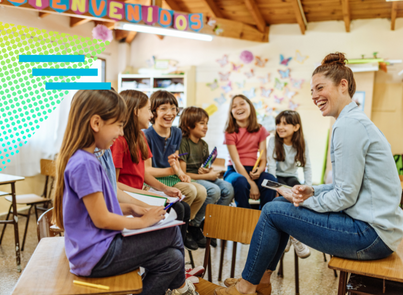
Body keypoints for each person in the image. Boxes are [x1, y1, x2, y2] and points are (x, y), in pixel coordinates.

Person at [214, 52, 403, 295]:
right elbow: (345, 186)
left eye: (319, 88)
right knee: (279, 206)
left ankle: (246, 287)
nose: (314, 96)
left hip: (370, 235)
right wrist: (312, 190)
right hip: (376, 229)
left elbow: (345, 196)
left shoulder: (348, 126)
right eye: (311, 91)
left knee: (272, 210)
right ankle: (260, 280)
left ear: (343, 85)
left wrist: (305, 199)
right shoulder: (351, 121)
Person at [53, 89, 198, 295]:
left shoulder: (87, 159)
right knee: (170, 230)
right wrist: (141, 222)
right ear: (96, 123)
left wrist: (131, 207)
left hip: (96, 250)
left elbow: (96, 210)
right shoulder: (85, 163)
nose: (121, 132)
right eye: (119, 125)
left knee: (172, 259)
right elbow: (102, 219)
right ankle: (183, 290)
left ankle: (181, 287)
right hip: (96, 255)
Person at [110, 90, 196, 251]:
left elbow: (142, 173)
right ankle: (169, 254)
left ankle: (177, 255)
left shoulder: (140, 137)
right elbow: (114, 183)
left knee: (184, 207)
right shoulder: (119, 141)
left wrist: (165, 189)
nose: (151, 115)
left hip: (138, 192)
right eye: (149, 110)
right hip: (128, 196)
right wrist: (148, 194)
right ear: (136, 112)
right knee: (177, 209)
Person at [143, 90, 207, 246]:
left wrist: (180, 173)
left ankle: (183, 227)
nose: (170, 113)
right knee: (190, 191)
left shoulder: (177, 132)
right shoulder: (146, 135)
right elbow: (146, 171)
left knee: (202, 191)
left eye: (173, 108)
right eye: (163, 108)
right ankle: (174, 230)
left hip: (171, 177)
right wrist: (172, 171)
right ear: (153, 112)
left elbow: (175, 159)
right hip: (154, 180)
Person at [178, 106, 234, 247]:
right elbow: (183, 174)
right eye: (202, 123)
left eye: (207, 123)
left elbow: (203, 167)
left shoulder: (203, 144)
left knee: (228, 188)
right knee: (213, 190)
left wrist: (207, 171)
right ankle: (193, 225)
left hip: (200, 177)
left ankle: (207, 224)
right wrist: (207, 176)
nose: (206, 127)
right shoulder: (183, 142)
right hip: (189, 178)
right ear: (189, 124)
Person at [267, 110, 312, 258]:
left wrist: (309, 187)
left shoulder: (302, 142)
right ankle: (292, 235)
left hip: (291, 177)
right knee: (283, 198)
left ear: (296, 127)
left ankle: (291, 235)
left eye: (285, 124)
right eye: (278, 123)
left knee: (298, 195)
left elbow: (307, 167)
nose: (280, 127)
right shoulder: (273, 141)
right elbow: (271, 167)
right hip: (276, 178)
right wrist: (275, 187)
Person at [223, 94, 277, 210]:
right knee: (241, 181)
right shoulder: (229, 132)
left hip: (254, 169)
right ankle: (244, 217)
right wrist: (251, 183)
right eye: (234, 106)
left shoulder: (260, 129)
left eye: (242, 104)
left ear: (250, 107)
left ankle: (264, 216)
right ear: (231, 112)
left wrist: (260, 169)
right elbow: (235, 161)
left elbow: (263, 157)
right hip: (235, 171)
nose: (239, 107)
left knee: (270, 180)